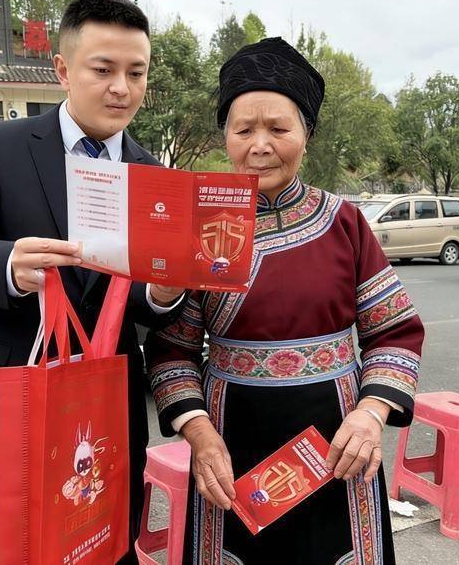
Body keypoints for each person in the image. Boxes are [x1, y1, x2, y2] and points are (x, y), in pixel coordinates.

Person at [0, 0, 186, 563]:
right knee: (23, 553)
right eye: (103, 70)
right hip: (12, 406)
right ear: (63, 69)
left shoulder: (151, 174)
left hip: (108, 414)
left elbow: (138, 296)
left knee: (108, 550)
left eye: (136, 72)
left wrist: (162, 294)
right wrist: (9, 266)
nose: (121, 88)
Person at [144, 37, 425, 565]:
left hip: (336, 444)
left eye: (278, 129)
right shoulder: (198, 227)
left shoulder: (344, 223)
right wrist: (200, 435)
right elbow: (171, 351)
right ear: (225, 137)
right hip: (230, 442)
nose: (260, 145)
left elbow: (395, 332)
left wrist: (370, 414)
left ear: (306, 135)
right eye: (243, 130)